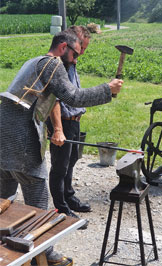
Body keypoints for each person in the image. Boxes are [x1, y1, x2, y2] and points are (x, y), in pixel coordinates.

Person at [0, 29, 123, 266]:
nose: (75, 60)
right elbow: (73, 97)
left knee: (4, 198)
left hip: (3, 135)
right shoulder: (52, 64)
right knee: (37, 197)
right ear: (63, 47)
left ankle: (8, 250)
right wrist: (107, 89)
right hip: (21, 138)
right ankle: (44, 254)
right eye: (75, 54)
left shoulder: (34, 62)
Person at [47, 26, 92, 220]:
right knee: (60, 166)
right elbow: (53, 99)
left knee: (71, 161)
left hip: (74, 120)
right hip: (62, 122)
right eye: (81, 47)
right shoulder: (59, 64)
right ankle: (61, 209)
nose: (82, 52)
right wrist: (57, 128)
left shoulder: (71, 62)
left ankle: (69, 196)